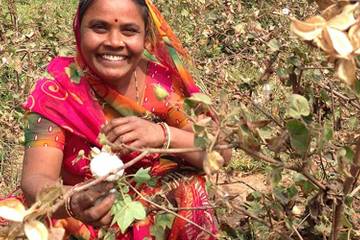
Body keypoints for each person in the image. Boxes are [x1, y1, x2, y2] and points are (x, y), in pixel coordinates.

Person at [19, 0, 231, 239]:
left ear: (145, 35)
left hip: (154, 211)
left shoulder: (161, 85)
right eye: (99, 27)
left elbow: (220, 153)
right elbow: (35, 179)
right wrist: (72, 201)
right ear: (78, 30)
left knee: (188, 189)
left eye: (129, 30)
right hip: (79, 215)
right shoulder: (56, 91)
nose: (114, 42)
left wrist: (162, 135)